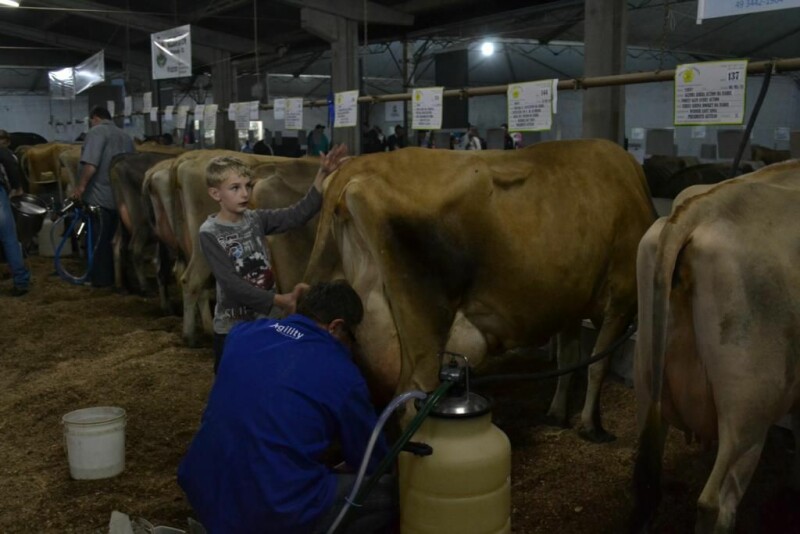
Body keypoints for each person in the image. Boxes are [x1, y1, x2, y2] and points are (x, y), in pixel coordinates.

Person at [178, 280, 397, 534]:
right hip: (273, 509)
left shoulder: (241, 335)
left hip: (205, 489)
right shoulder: (344, 375)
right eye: (351, 338)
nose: (350, 347)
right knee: (388, 493)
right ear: (336, 327)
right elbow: (373, 460)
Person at [199, 145, 348, 373]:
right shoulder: (210, 232)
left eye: (247, 186)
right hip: (232, 328)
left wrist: (322, 175)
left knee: (264, 375)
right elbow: (232, 285)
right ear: (215, 194)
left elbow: (297, 214)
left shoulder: (256, 219)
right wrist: (280, 300)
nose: (245, 194)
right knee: (232, 378)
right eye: (235, 188)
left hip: (266, 320)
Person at [71, 106, 134, 288]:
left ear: (95, 118)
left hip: (99, 197)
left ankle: (101, 280)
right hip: (123, 199)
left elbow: (91, 163)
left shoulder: (96, 132)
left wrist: (80, 187)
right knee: (119, 240)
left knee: (99, 239)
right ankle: (121, 277)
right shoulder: (125, 135)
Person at [0, 129, 31, 296]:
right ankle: (20, 281)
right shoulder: (3, 151)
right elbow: (7, 160)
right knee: (9, 238)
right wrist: (17, 187)